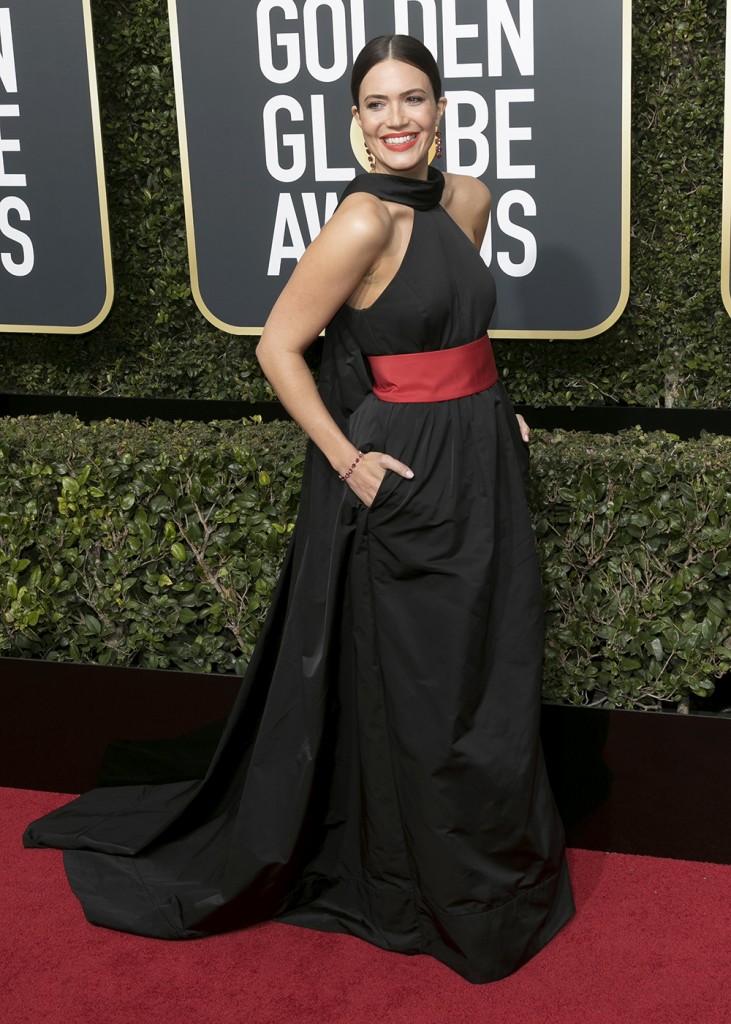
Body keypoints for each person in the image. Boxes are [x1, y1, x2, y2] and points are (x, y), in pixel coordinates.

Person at [24, 34, 574, 985]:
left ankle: (490, 863)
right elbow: (279, 347)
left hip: (481, 455)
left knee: (492, 661)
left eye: (412, 98)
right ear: (355, 122)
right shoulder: (360, 221)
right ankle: (423, 884)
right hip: (406, 473)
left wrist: (495, 405)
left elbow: (445, 325)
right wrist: (348, 459)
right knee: (428, 684)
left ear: (442, 108)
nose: (397, 119)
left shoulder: (470, 199)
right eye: (376, 104)